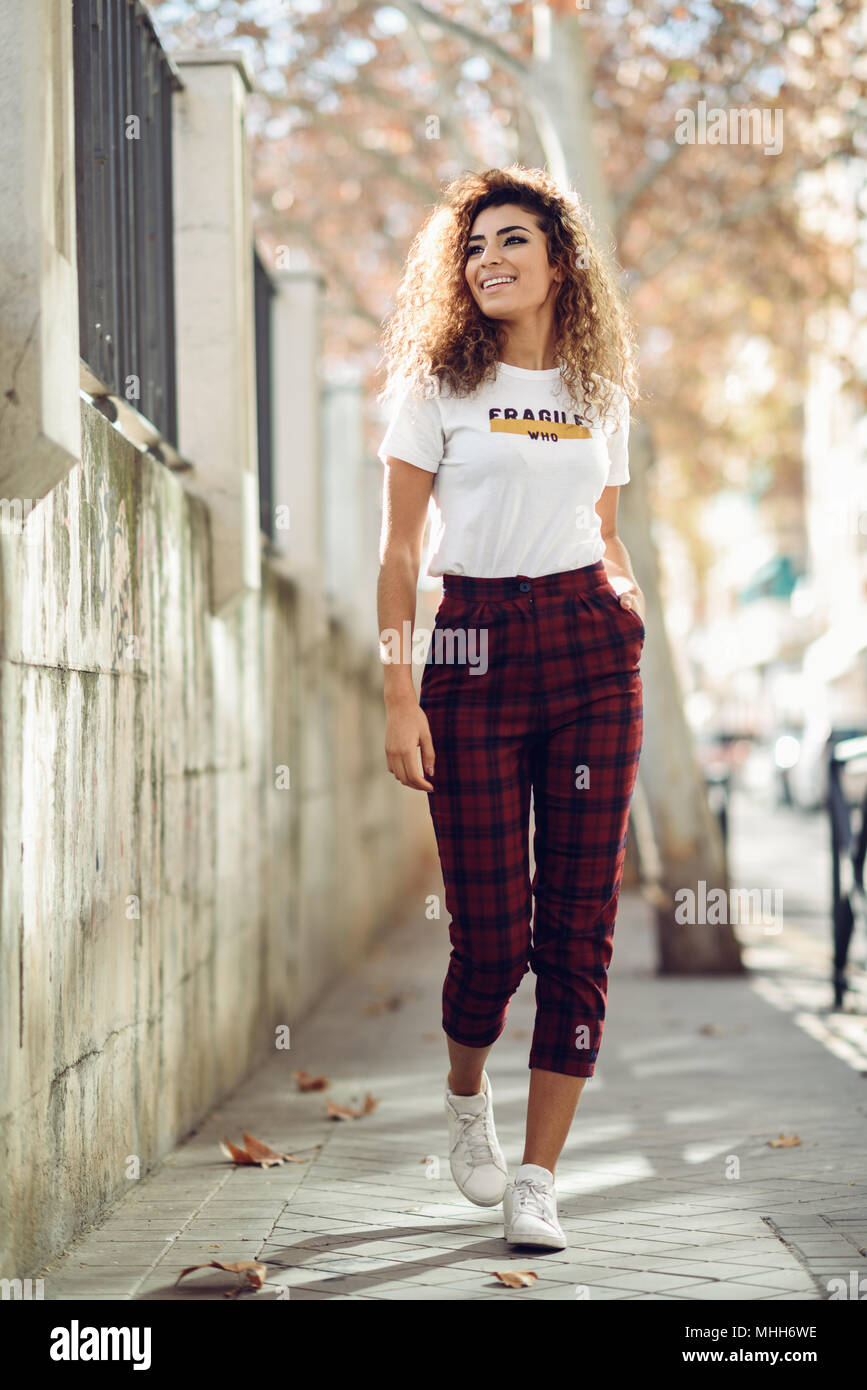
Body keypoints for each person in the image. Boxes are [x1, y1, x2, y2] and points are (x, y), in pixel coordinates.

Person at [376, 166, 645, 1251]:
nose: (488, 258)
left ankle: (539, 1178)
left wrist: (628, 603)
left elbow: (604, 525)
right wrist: (400, 692)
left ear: (559, 262)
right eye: (474, 245)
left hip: (590, 649)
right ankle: (465, 1094)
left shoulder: (600, 393)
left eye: (512, 241)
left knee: (578, 929)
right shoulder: (437, 388)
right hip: (473, 648)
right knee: (490, 938)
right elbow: (399, 554)